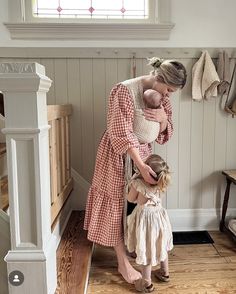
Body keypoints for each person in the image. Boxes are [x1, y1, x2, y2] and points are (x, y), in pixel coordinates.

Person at [83, 57, 187, 284]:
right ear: (160, 78)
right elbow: (120, 132)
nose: (169, 95)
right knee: (115, 204)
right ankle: (122, 263)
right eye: (168, 89)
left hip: (144, 152)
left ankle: (131, 245)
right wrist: (139, 164)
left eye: (172, 93)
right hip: (118, 152)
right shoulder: (124, 90)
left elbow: (165, 133)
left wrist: (162, 120)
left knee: (134, 205)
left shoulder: (163, 98)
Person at [126, 154, 172, 293]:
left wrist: (132, 182)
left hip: (145, 222)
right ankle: (165, 272)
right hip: (159, 219)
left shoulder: (138, 184)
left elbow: (130, 199)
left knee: (146, 250)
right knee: (160, 245)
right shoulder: (161, 183)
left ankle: (146, 283)